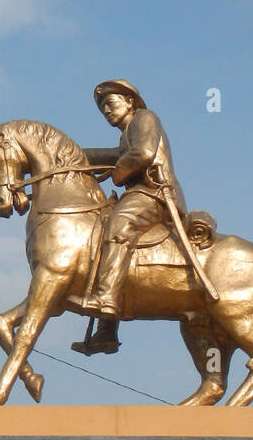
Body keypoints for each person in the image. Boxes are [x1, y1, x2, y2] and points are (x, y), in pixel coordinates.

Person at [73, 79, 187, 355]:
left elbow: (143, 154)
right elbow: (115, 154)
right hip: (140, 195)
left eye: (111, 104)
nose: (107, 112)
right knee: (99, 234)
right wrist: (71, 154)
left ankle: (106, 298)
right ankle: (107, 330)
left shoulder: (144, 118)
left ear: (130, 102)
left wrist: (118, 174)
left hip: (155, 194)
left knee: (118, 226)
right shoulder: (126, 134)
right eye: (103, 110)